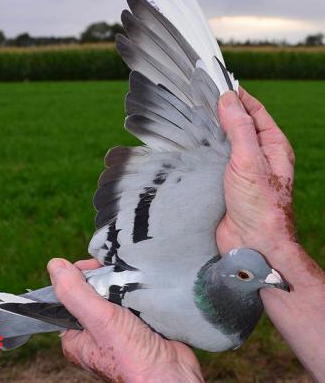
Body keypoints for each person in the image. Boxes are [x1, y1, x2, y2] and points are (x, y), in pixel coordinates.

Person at [47, 88, 325, 383]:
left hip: (110, 284)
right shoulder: (227, 332)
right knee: (218, 155)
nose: (273, 279)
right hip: (111, 287)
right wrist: (274, 238)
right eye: (249, 275)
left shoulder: (230, 327)